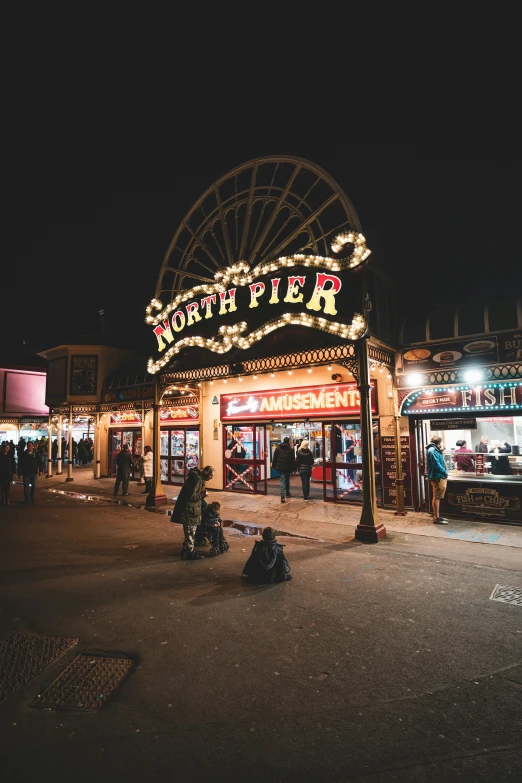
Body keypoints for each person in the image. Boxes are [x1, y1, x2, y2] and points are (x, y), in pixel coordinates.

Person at [171, 465, 215, 560]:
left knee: (189, 532)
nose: (211, 478)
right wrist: (203, 494)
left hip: (189, 509)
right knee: (190, 532)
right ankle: (189, 553)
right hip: (189, 510)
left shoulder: (196, 478)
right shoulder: (197, 480)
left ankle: (186, 550)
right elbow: (192, 496)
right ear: (207, 473)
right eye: (211, 475)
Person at [426, 436, 448, 524]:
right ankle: (436, 518)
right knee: (436, 497)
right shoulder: (432, 450)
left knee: (437, 497)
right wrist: (444, 472)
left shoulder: (434, 450)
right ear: (438, 443)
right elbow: (436, 464)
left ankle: (437, 516)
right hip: (437, 476)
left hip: (438, 475)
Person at [272, 436, 295, 503]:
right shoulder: (291, 449)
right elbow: (292, 460)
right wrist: (294, 468)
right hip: (287, 467)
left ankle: (283, 495)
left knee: (282, 480)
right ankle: (287, 493)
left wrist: (273, 466)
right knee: (287, 480)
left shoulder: (278, 448)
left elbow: (275, 458)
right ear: (288, 442)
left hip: (280, 467)